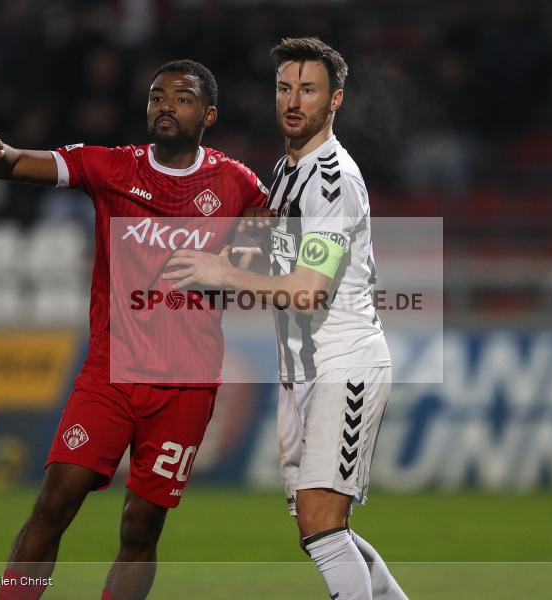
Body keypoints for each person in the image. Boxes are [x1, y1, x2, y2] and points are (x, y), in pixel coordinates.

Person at [0, 59, 267, 600]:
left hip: (186, 385)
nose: (165, 104)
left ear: (209, 113)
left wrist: (245, 263)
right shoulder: (108, 167)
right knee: (54, 504)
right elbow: (15, 165)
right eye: (155, 96)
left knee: (140, 529)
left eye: (182, 97)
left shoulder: (237, 183)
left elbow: (272, 252)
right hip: (110, 374)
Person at [164, 38, 408, 600]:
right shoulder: (287, 170)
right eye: (284, 88)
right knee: (320, 529)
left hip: (344, 364)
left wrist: (223, 275)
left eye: (308, 89)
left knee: (321, 523)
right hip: (302, 370)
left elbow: (308, 290)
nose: (293, 100)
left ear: (335, 100)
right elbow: (275, 254)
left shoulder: (332, 181)